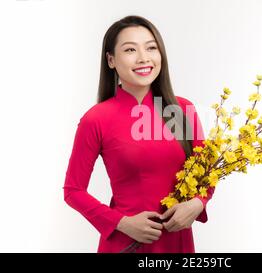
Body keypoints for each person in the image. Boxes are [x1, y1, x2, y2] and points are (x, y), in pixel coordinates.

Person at [63, 15, 215, 253]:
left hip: (177, 242)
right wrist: (121, 223)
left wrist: (198, 203)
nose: (144, 57)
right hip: (128, 243)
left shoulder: (181, 110)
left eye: (151, 47)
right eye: (130, 49)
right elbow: (73, 191)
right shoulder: (96, 119)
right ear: (111, 60)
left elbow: (207, 172)